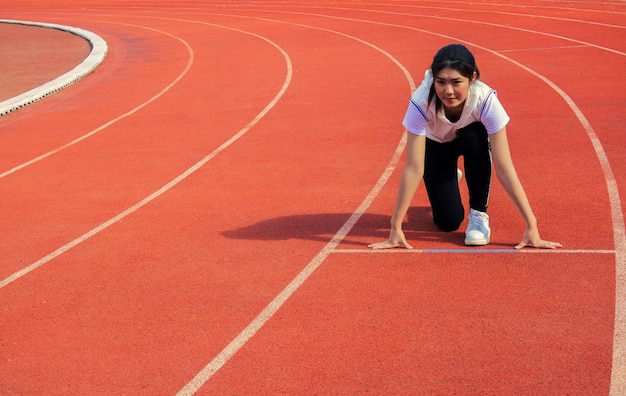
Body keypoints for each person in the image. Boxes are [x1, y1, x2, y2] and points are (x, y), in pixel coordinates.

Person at [369, 44, 561, 250]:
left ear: (473, 78)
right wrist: (395, 227)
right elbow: (414, 168)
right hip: (437, 146)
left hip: (472, 141)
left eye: (456, 82)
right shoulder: (421, 101)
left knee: (475, 134)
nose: (448, 91)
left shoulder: (485, 100)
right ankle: (451, 175)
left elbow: (505, 168)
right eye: (440, 82)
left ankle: (478, 214)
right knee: (448, 223)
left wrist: (531, 225)